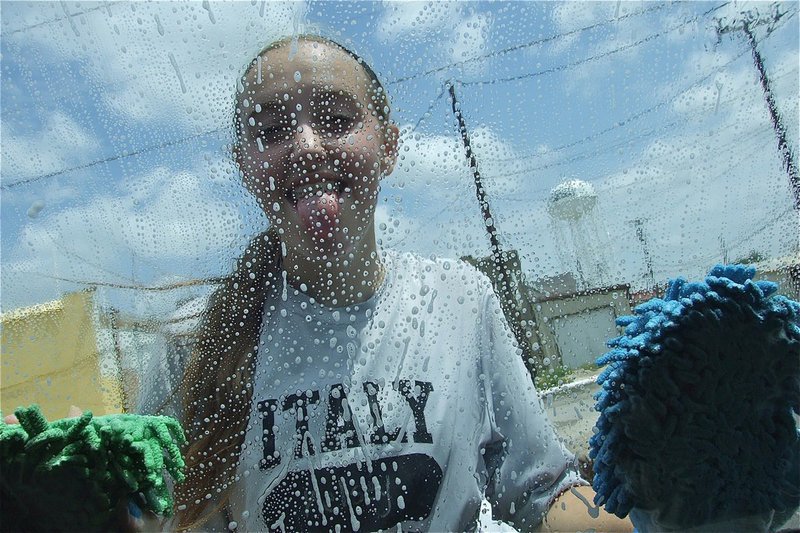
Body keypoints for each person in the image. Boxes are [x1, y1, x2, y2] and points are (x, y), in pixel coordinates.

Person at [139, 34, 633, 532]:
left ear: (388, 146)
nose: (307, 146)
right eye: (272, 130)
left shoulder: (462, 300)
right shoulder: (193, 340)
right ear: (246, 165)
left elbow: (541, 492)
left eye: (336, 120)